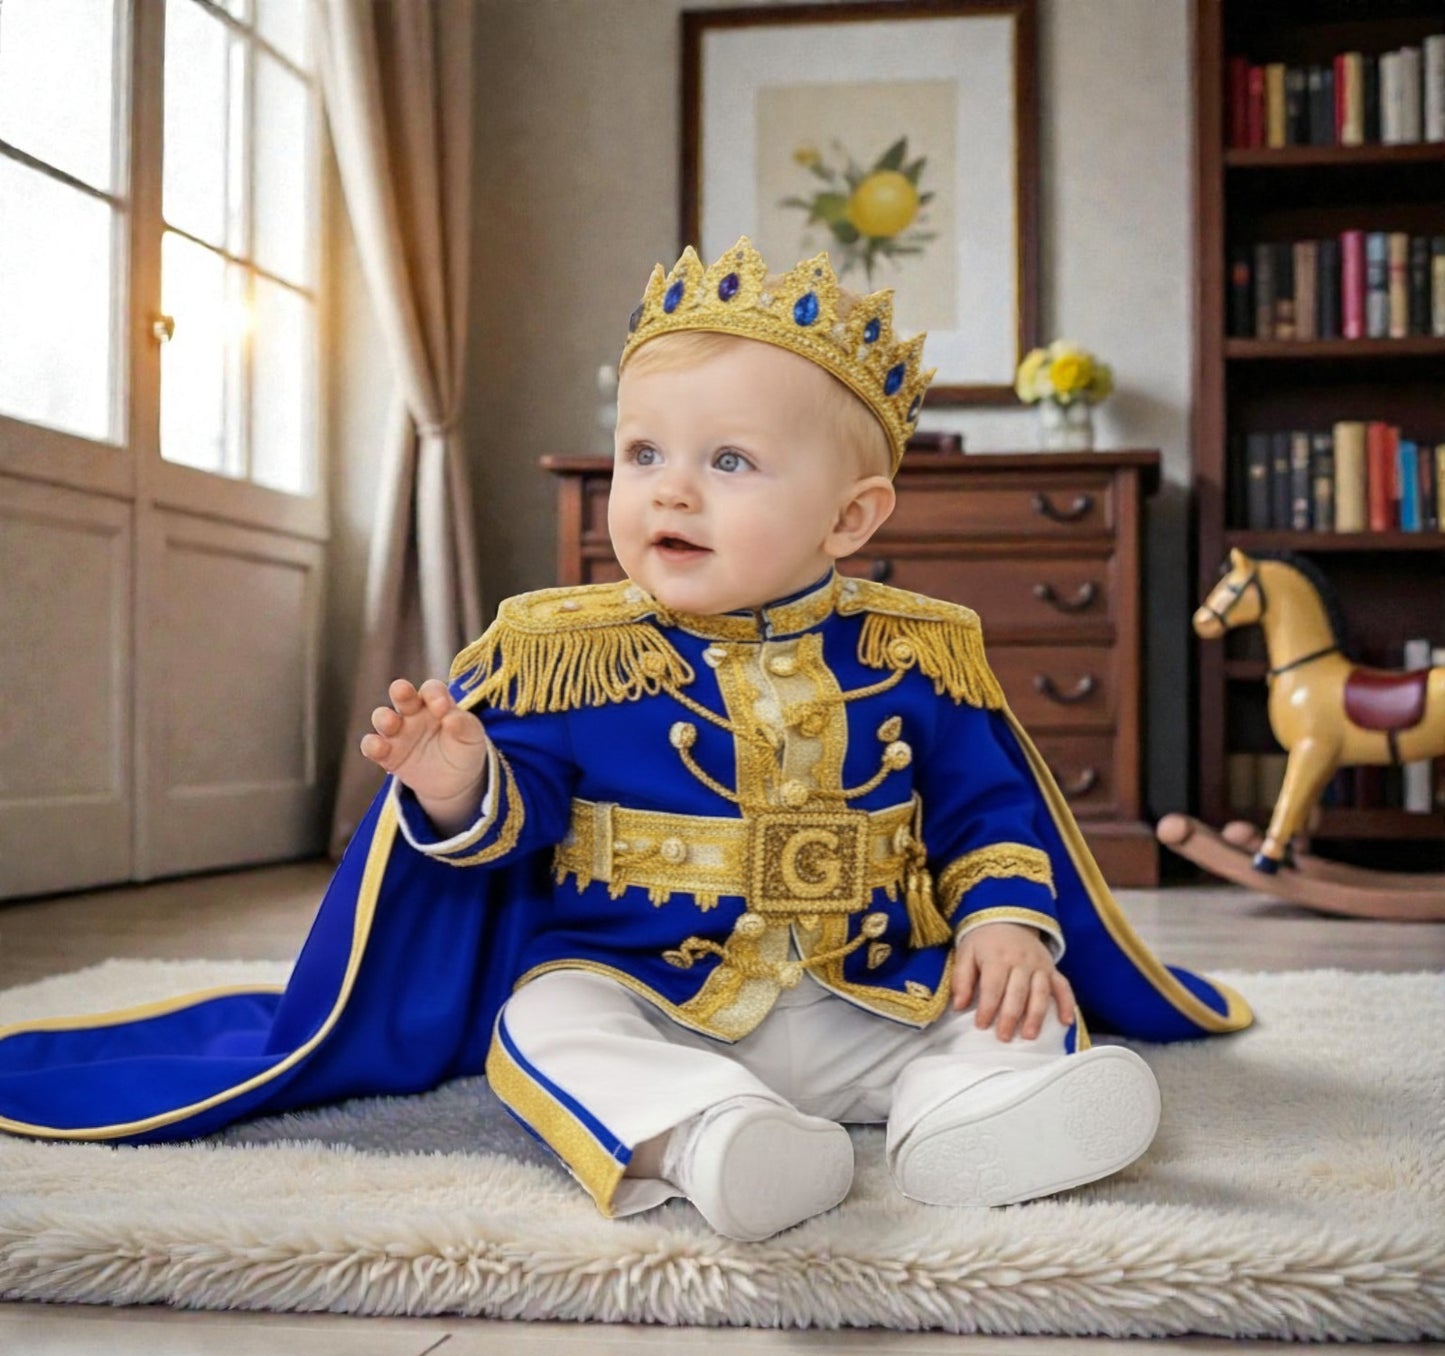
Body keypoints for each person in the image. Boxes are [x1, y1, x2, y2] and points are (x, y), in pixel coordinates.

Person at [0, 239, 1252, 1242]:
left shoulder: (914, 652)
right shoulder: (568, 650)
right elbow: (521, 816)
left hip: (871, 984)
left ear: (850, 517)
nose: (669, 488)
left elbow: (988, 811)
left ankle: (967, 1116)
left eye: (728, 460)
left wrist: (1003, 927)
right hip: (650, 994)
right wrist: (458, 781)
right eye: (643, 452)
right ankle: (715, 1137)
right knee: (544, 1025)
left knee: (1011, 1006)